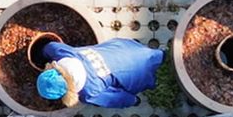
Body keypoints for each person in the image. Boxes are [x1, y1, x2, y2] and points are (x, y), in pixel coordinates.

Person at [37, 38, 165, 108]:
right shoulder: (66, 54)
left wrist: (133, 101)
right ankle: (160, 54)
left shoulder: (89, 92)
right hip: (126, 47)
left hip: (141, 73)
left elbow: (117, 99)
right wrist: (43, 54)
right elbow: (49, 46)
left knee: (149, 74)